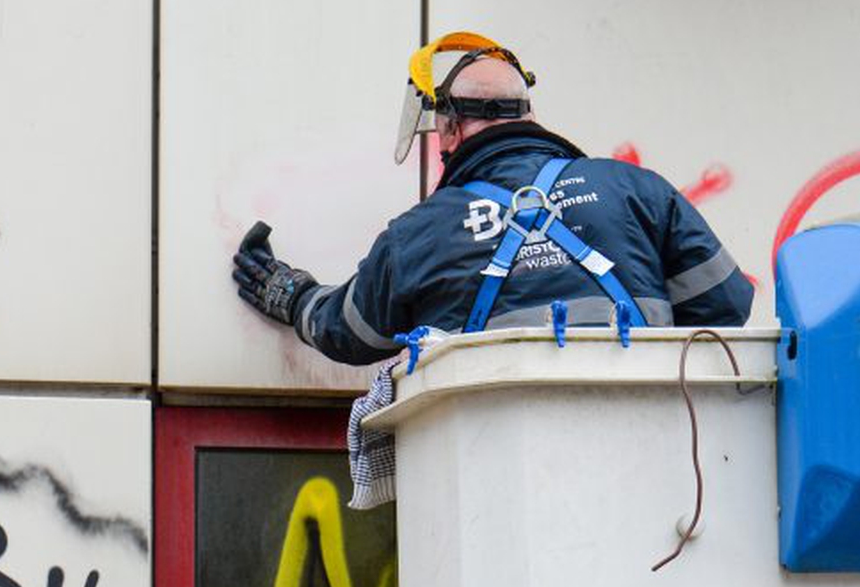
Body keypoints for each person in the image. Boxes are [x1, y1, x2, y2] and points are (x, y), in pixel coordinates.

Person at [232, 33, 753, 364]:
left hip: (501, 489)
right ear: (527, 115)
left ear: (450, 131)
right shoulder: (635, 188)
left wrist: (290, 293)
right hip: (649, 470)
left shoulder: (417, 235)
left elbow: (349, 333)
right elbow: (727, 304)